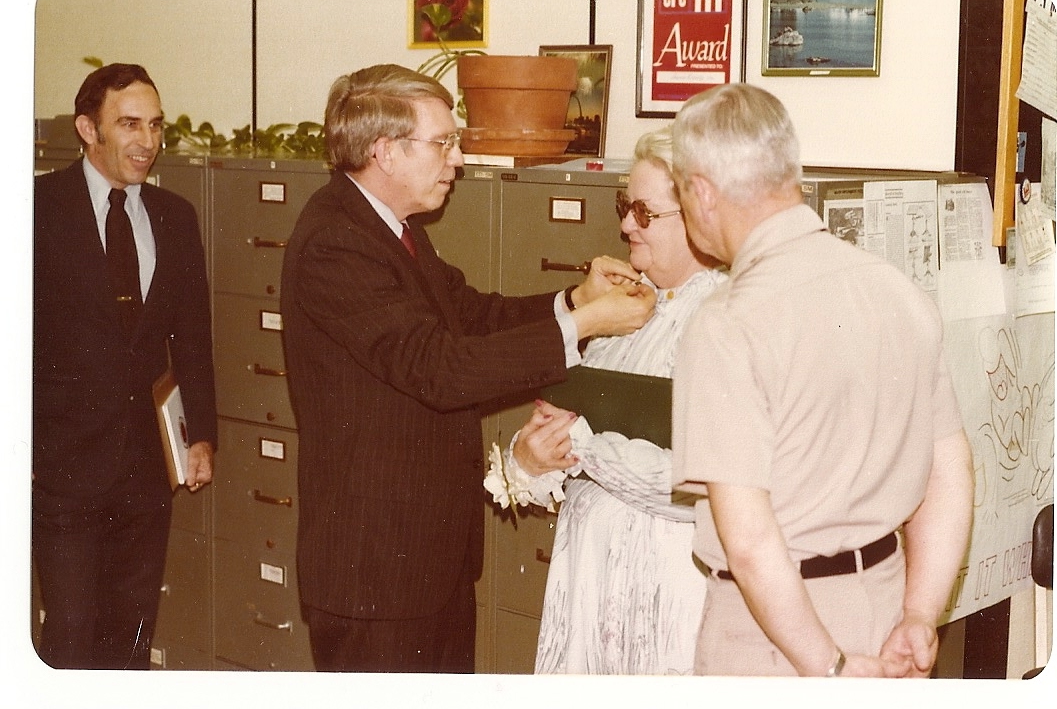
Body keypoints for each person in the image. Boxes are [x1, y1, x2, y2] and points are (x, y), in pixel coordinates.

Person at [279, 64, 655, 674]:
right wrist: (584, 329)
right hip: (376, 572)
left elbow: (470, 315)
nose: (457, 159)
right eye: (443, 142)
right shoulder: (336, 241)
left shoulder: (392, 228)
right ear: (386, 152)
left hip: (425, 562)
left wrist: (575, 301)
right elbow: (439, 369)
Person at [669, 83, 974, 678]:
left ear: (701, 193)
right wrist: (919, 614)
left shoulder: (727, 324)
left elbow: (752, 542)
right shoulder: (900, 293)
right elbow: (951, 469)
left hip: (777, 639)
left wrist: (828, 667)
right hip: (889, 615)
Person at [484, 127, 727, 675]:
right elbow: (558, 426)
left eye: (644, 212)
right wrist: (530, 459)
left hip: (668, 588)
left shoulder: (726, 321)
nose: (624, 225)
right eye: (625, 206)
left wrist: (585, 448)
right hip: (591, 584)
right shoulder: (624, 310)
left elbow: (705, 491)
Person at [33, 63, 217, 669]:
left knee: (130, 637)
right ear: (88, 128)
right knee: (70, 638)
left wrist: (202, 436)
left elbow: (193, 337)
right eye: (130, 124)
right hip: (62, 467)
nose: (148, 141)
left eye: (157, 125)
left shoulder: (174, 215)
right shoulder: (35, 209)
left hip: (144, 469)